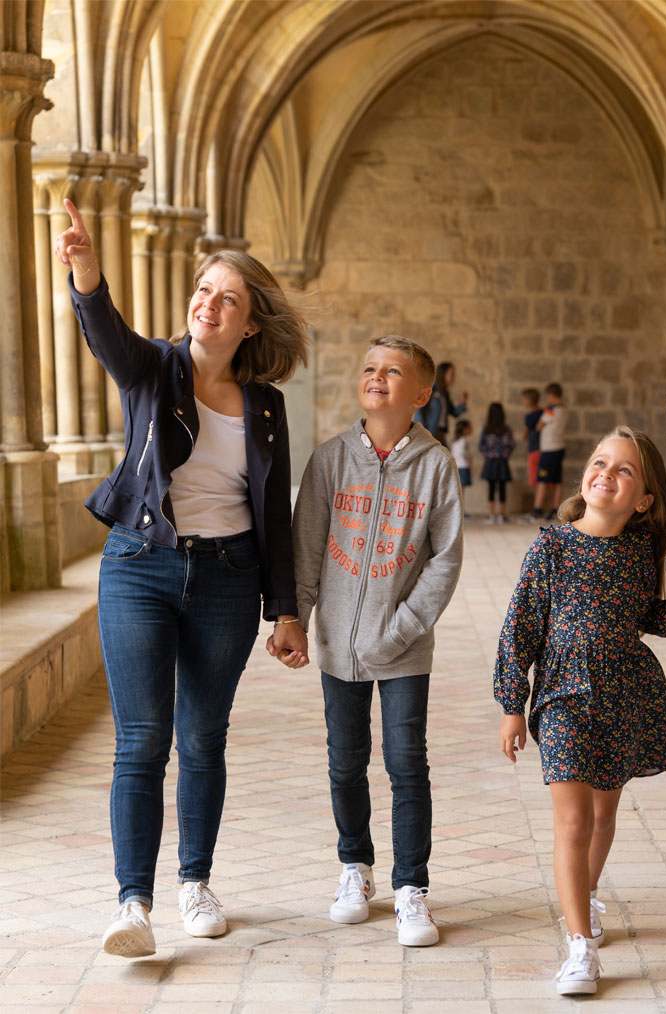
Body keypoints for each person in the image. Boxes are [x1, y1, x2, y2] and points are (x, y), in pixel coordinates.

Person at [55, 199, 310, 958]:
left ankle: (195, 883)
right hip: (140, 567)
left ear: (250, 324)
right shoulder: (154, 370)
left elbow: (274, 510)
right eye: (203, 291)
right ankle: (133, 904)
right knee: (142, 739)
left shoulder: (264, 407)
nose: (208, 304)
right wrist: (86, 269)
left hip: (229, 577)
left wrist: (285, 610)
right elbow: (106, 335)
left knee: (202, 736)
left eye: (226, 298)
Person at [494, 427, 666, 995]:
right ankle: (579, 946)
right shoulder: (552, 546)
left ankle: (583, 900)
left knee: (604, 816)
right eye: (599, 463)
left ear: (644, 500)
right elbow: (520, 629)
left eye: (623, 470)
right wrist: (511, 704)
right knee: (573, 821)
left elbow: (645, 618)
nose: (605, 475)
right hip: (564, 696)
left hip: (625, 694)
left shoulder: (641, 553)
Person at [291, 335, 464, 947]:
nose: (377, 377)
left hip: (403, 650)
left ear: (421, 393)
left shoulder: (435, 465)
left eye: (393, 371)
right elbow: (308, 548)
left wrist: (400, 629)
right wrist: (296, 618)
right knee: (345, 761)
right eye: (369, 367)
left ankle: (411, 886)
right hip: (338, 645)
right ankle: (354, 867)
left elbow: (444, 560)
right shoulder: (330, 460)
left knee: (405, 763)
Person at [526, 382, 567, 521]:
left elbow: (538, 426)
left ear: (551, 395)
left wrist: (545, 410)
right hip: (559, 448)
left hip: (549, 449)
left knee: (542, 479)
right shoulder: (564, 409)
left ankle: (537, 509)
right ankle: (556, 509)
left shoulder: (550, 410)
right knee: (556, 480)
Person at [413, 360, 467, 446]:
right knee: (444, 457)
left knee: (445, 457)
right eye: (451, 374)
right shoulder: (431, 389)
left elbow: (454, 413)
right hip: (429, 432)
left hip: (440, 432)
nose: (453, 377)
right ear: (443, 374)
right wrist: (422, 432)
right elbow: (419, 410)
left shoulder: (445, 393)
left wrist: (462, 402)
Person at [479, 402, 515, 524]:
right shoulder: (506, 429)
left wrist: (488, 454)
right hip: (502, 461)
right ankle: (501, 515)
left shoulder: (486, 430)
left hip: (490, 462)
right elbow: (511, 445)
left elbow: (481, 446)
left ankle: (491, 515)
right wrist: (505, 454)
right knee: (502, 488)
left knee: (491, 487)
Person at [521, 387, 543, 488]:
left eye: (525, 399)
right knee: (543, 477)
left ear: (530, 400)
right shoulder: (543, 412)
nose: (523, 401)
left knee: (534, 479)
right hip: (544, 449)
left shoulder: (530, 416)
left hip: (534, 449)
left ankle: (536, 502)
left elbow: (525, 434)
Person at [451, 419, 473, 517]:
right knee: (461, 491)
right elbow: (464, 453)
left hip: (456, 466)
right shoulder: (464, 441)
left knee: (458, 491)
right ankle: (460, 511)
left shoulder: (455, 441)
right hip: (463, 467)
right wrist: (469, 459)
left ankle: (459, 510)